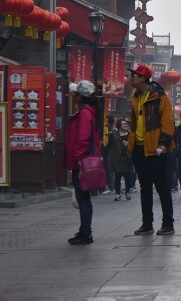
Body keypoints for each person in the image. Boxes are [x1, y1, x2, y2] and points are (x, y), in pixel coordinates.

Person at [127, 65, 176, 236]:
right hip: (139, 149)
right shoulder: (135, 96)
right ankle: (147, 224)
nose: (130, 78)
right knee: (145, 188)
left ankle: (168, 224)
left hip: (156, 149)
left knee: (162, 187)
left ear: (142, 78)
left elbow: (168, 122)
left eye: (133, 75)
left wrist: (163, 144)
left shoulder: (159, 96)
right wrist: (131, 146)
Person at [64, 80, 100, 244]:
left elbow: (83, 137)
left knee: (83, 197)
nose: (73, 96)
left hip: (82, 160)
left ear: (81, 96)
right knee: (83, 197)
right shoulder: (88, 111)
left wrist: (78, 158)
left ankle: (86, 232)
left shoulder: (85, 113)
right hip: (83, 159)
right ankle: (84, 230)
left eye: (76, 93)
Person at [110, 119, 135, 201]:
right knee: (117, 177)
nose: (126, 125)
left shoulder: (130, 134)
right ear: (119, 125)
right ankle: (117, 194)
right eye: (123, 124)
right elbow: (109, 145)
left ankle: (127, 192)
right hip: (118, 159)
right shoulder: (114, 134)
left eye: (126, 124)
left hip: (127, 159)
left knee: (128, 178)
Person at [101, 117, 115, 195]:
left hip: (109, 153)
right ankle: (109, 187)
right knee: (108, 170)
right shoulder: (111, 129)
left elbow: (108, 144)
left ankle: (111, 188)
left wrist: (104, 153)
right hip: (109, 152)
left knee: (109, 170)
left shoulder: (110, 131)